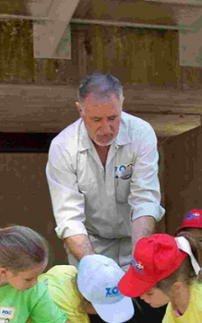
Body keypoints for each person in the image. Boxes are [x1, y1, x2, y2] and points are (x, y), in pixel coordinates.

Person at [46, 72, 164, 268]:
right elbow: (69, 218)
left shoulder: (142, 133)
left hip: (134, 239)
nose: (106, 128)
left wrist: (140, 258)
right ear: (80, 111)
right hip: (88, 243)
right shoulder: (62, 146)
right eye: (96, 119)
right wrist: (95, 267)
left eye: (112, 117)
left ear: (122, 104)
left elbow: (145, 199)